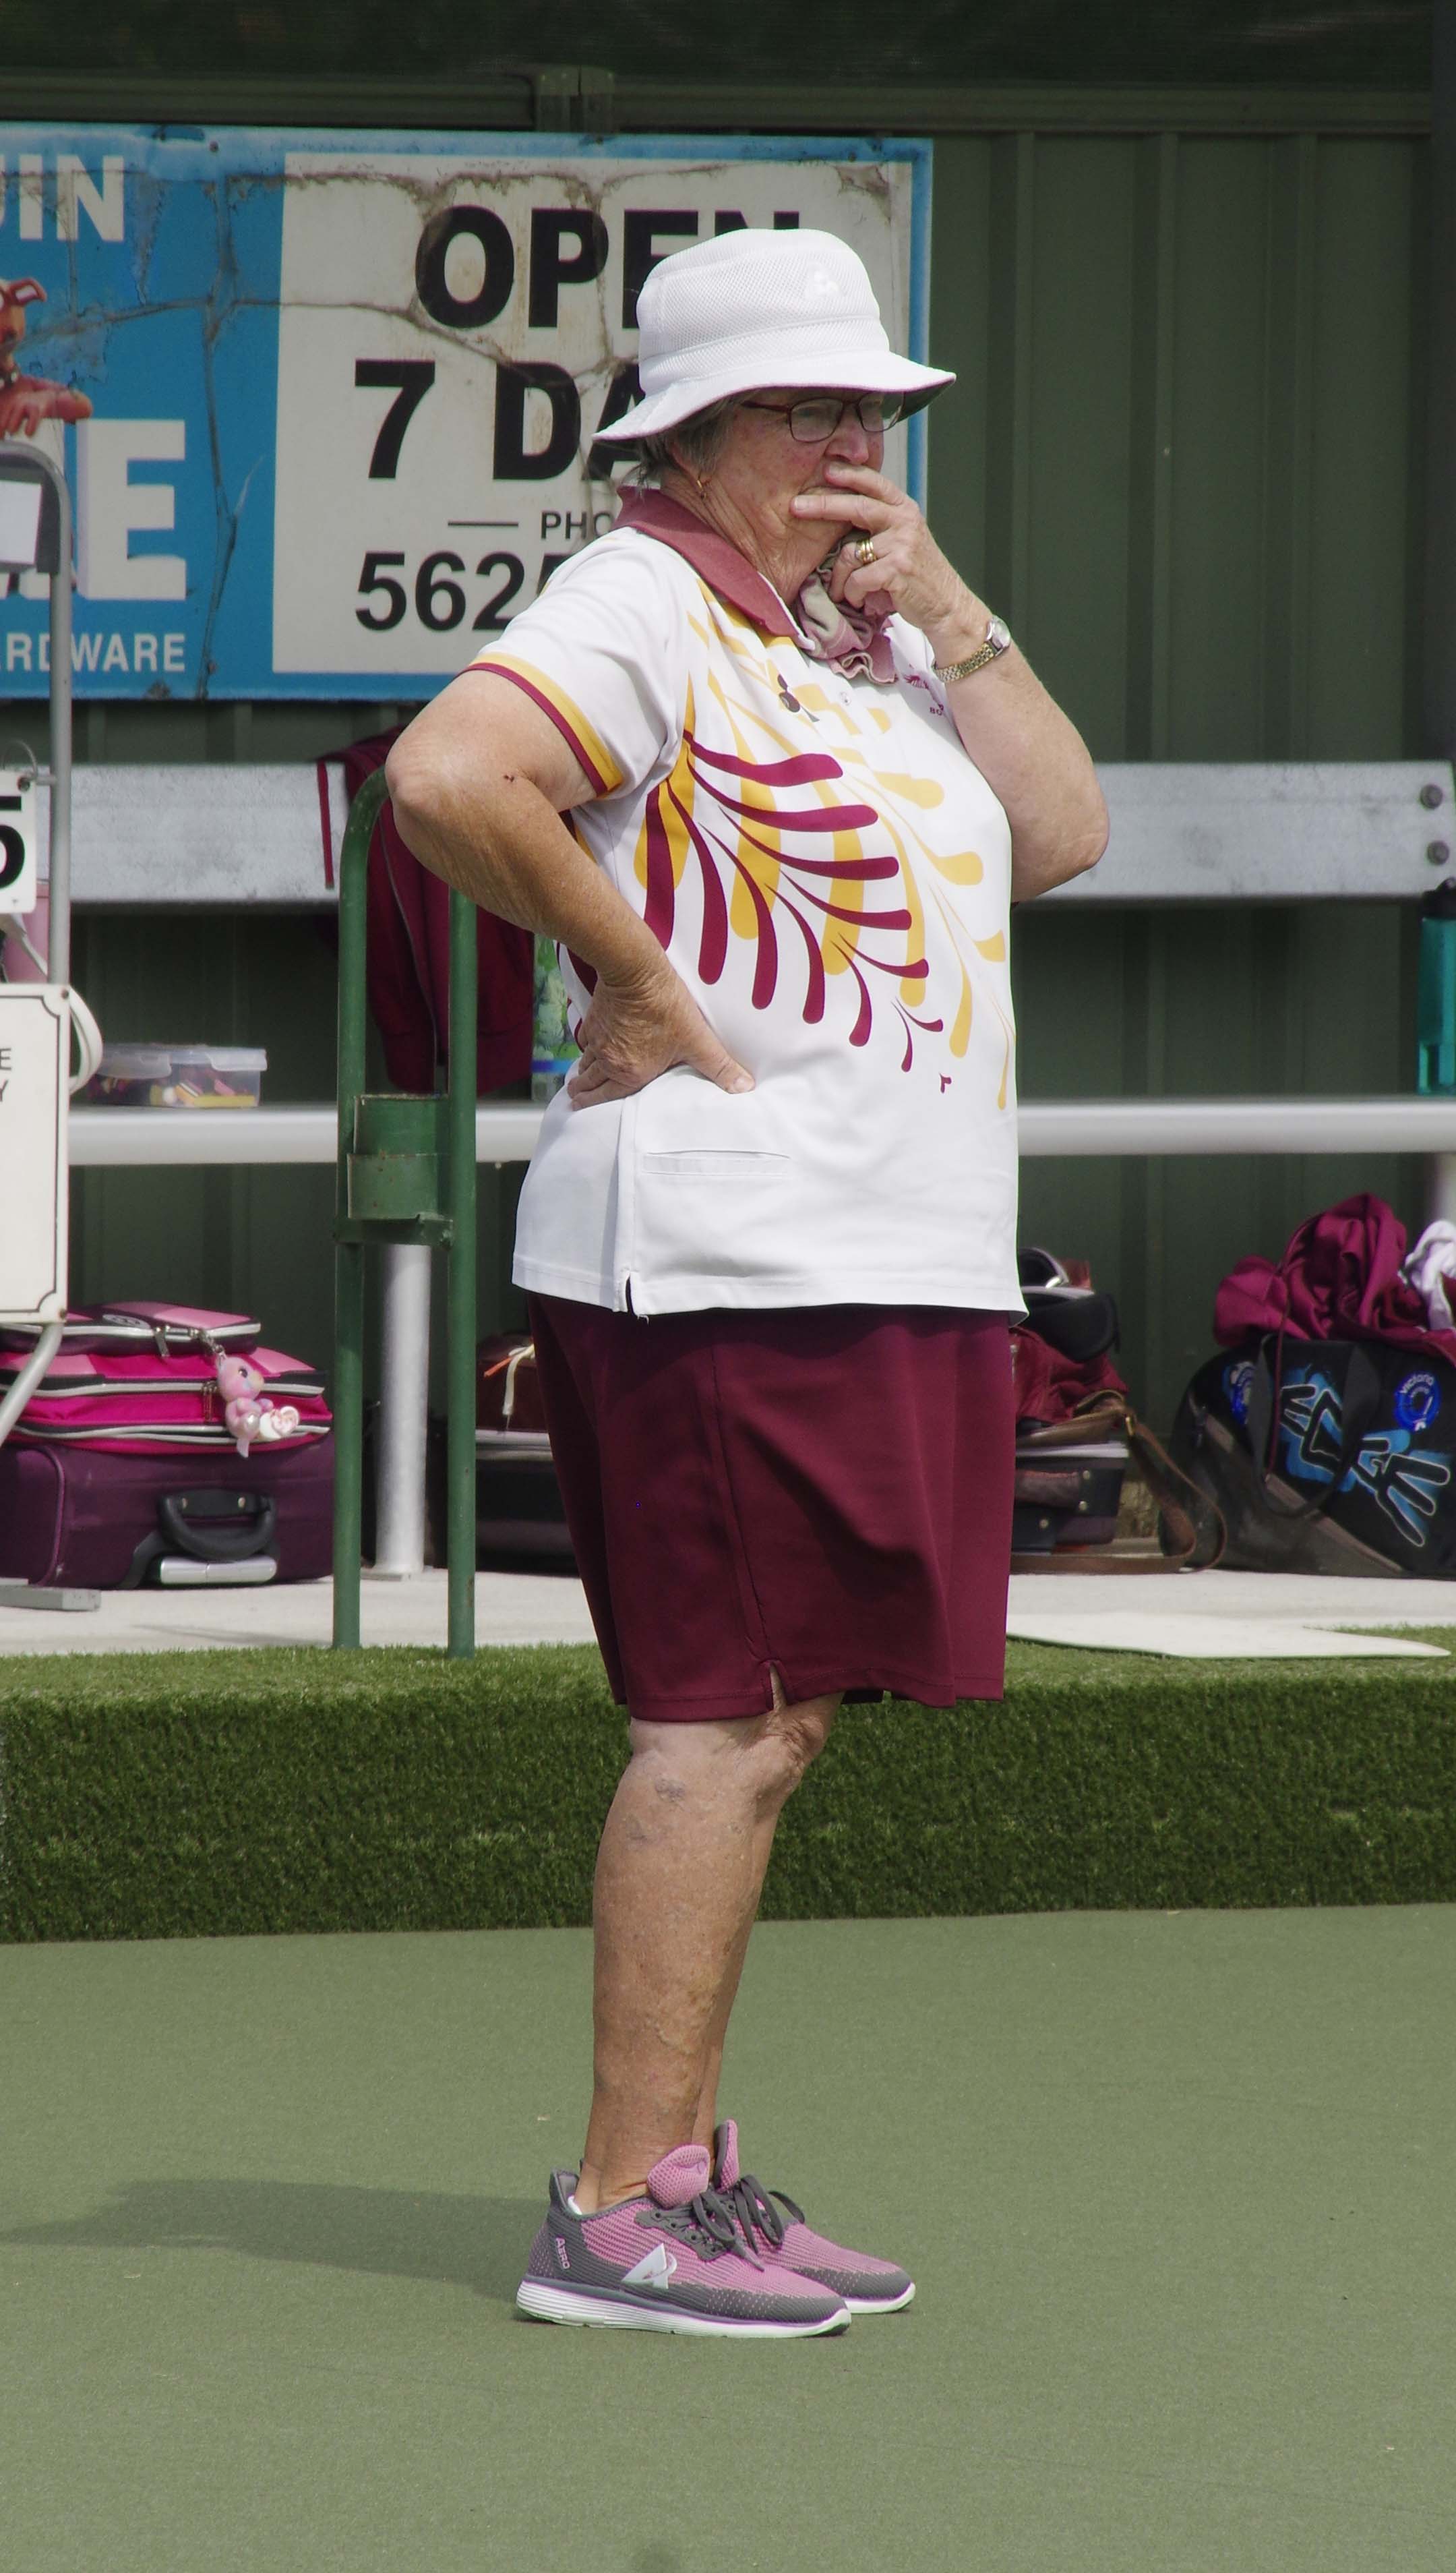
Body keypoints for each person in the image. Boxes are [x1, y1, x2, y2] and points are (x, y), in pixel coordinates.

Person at [387, 227, 1107, 2339]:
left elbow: (1056, 833)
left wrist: (944, 601)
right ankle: (617, 2207)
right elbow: (450, 775)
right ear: (688, 441)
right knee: (719, 1725)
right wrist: (624, 968)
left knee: (777, 1726)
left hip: (875, 1264)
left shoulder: (865, 636)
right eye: (806, 413)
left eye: (872, 414)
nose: (849, 447)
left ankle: (687, 2185)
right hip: (719, 1262)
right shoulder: (641, 594)